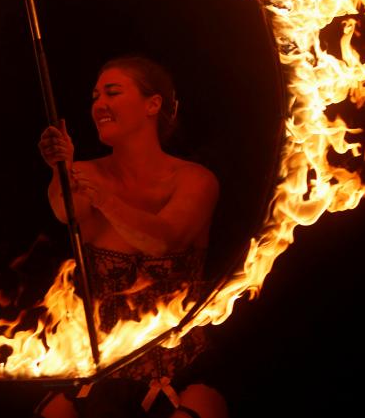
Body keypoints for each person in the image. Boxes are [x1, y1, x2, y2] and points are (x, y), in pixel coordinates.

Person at [34, 55, 228, 418]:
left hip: (180, 375)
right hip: (99, 374)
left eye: (112, 92)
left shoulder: (196, 181)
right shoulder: (83, 172)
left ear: (153, 104)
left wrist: (106, 198)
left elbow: (163, 241)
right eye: (95, 96)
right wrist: (61, 169)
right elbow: (66, 212)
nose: (99, 105)